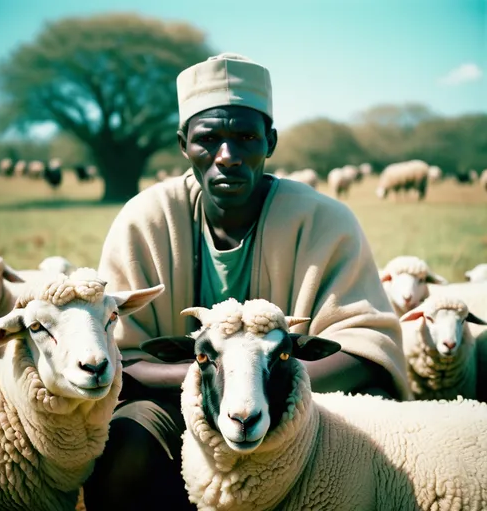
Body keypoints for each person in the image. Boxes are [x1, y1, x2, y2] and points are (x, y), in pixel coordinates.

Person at [83, 53, 410, 510]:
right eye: (208, 139)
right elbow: (118, 355)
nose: (227, 157)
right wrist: (215, 380)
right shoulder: (144, 222)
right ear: (183, 144)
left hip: (303, 416)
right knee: (127, 439)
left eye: (245, 138)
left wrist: (260, 384)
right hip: (177, 407)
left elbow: (368, 350)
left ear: (269, 142)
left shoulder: (324, 221)